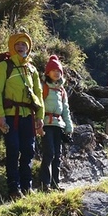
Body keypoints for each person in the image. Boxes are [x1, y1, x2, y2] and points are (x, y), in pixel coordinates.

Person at [0, 32, 44, 198]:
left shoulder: (32, 69)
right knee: (13, 149)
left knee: (28, 150)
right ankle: (14, 188)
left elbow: (38, 93)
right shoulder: (4, 66)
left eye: (24, 45)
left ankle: (27, 187)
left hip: (28, 115)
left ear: (29, 48)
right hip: (10, 116)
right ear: (12, 47)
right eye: (18, 44)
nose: (21, 47)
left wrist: (40, 116)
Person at [39, 55, 73, 192]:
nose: (57, 73)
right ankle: (44, 184)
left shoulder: (61, 90)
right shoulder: (43, 87)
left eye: (59, 71)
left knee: (57, 155)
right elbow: (39, 105)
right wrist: (38, 122)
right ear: (48, 72)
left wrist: (69, 126)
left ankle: (55, 184)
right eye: (54, 70)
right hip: (46, 124)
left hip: (58, 125)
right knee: (49, 153)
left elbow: (66, 109)